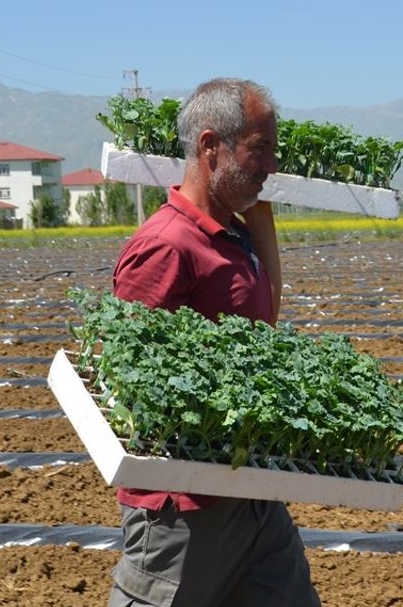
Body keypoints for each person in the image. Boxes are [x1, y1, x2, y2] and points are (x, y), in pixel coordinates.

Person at [106, 78, 320, 607]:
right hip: (185, 507)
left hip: (251, 493)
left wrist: (263, 229)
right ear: (210, 147)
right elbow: (129, 374)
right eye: (260, 149)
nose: (272, 165)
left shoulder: (233, 234)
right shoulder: (167, 246)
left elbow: (262, 328)